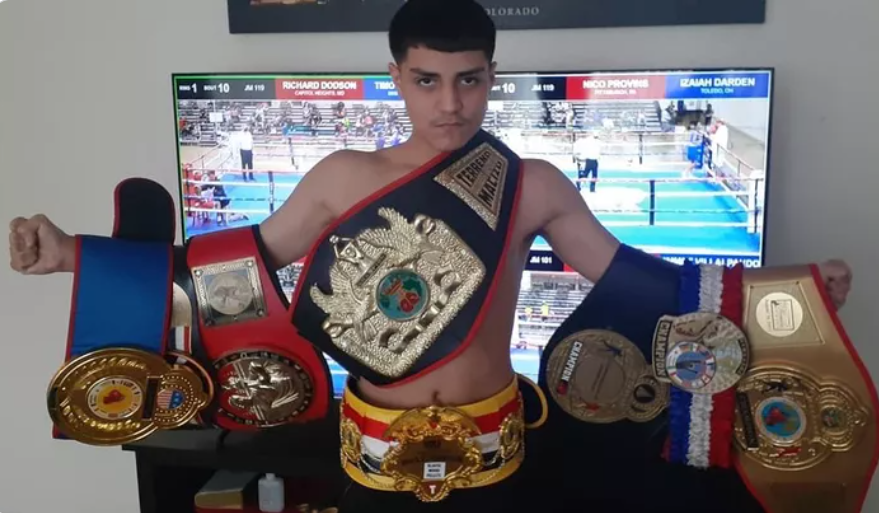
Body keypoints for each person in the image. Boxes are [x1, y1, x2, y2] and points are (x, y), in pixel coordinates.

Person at [8, 1, 855, 511]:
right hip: (370, 453)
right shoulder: (342, 176)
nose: (450, 103)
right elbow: (228, 269)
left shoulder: (533, 183)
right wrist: (74, 256)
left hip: (500, 452)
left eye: (470, 79)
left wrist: (789, 295)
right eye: (427, 80)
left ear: (493, 75)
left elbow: (642, 281)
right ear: (394, 75)